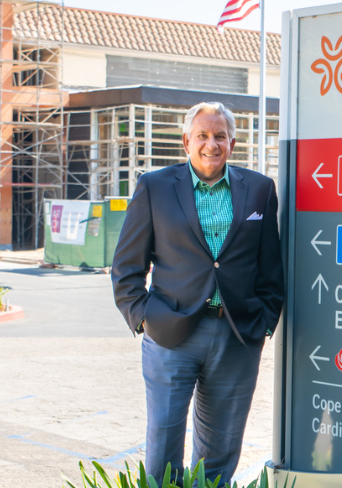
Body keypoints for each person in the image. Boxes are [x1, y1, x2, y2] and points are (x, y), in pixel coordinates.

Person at [111, 101, 284, 484]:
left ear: (232, 142)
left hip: (236, 336)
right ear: (186, 141)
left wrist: (264, 322)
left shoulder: (259, 189)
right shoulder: (154, 187)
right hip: (170, 332)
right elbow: (126, 267)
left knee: (220, 448)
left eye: (219, 136)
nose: (211, 144)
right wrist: (143, 317)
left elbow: (270, 268)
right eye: (202, 136)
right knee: (163, 442)